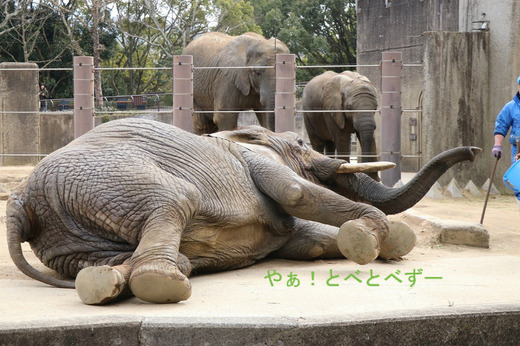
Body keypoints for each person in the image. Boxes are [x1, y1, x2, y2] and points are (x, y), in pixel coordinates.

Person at [492, 76, 520, 209]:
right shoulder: (510, 107)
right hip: (518, 150)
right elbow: (501, 126)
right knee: (518, 182)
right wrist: (497, 145)